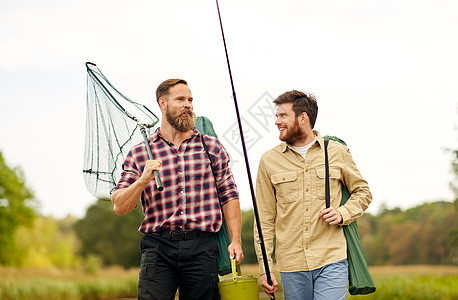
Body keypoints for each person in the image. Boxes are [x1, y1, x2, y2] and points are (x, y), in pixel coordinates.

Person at [111, 79, 244, 300]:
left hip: (202, 248)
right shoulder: (140, 153)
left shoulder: (211, 147)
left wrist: (236, 239)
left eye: (190, 100)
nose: (188, 105)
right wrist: (142, 180)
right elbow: (120, 205)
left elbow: (229, 195)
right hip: (158, 248)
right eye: (180, 99)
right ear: (162, 103)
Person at [254, 90, 372, 300]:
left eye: (283, 115)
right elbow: (264, 219)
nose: (276, 122)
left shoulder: (337, 152)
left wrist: (343, 213)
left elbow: (362, 192)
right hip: (291, 264)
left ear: (303, 118)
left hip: (331, 258)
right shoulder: (268, 161)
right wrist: (265, 268)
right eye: (276, 116)